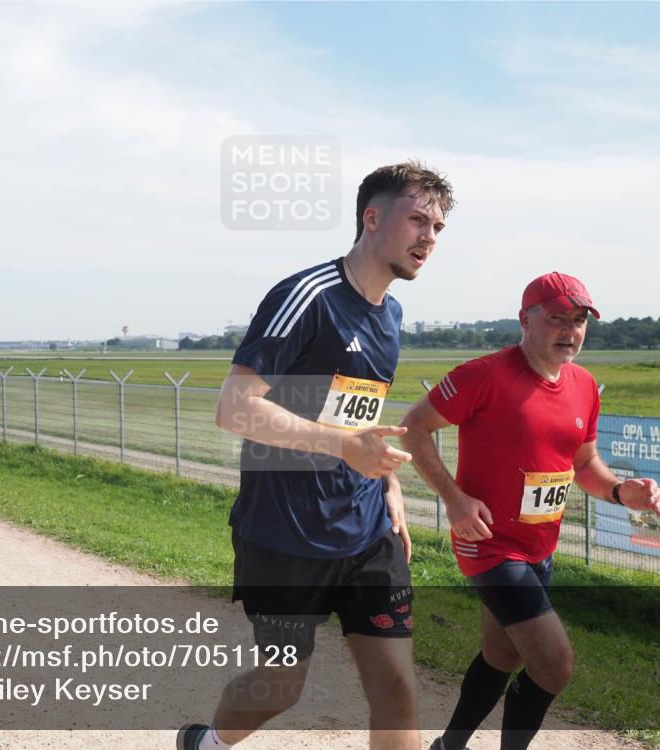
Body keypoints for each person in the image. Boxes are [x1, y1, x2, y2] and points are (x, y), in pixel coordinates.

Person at [177, 161, 456, 750]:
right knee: (282, 686)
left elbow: (359, 414)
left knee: (397, 687)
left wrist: (387, 486)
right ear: (372, 218)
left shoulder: (392, 315)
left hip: (366, 532)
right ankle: (205, 743)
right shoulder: (308, 297)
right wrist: (343, 448)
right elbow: (233, 407)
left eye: (438, 226)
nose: (430, 237)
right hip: (285, 534)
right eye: (417, 220)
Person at [398, 272, 660, 750]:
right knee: (554, 665)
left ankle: (447, 746)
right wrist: (454, 499)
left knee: (501, 654)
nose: (570, 330)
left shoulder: (583, 385)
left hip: (540, 546)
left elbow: (584, 464)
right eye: (557, 318)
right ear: (525, 319)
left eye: (579, 320)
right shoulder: (484, 375)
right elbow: (413, 428)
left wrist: (624, 492)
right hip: (489, 545)